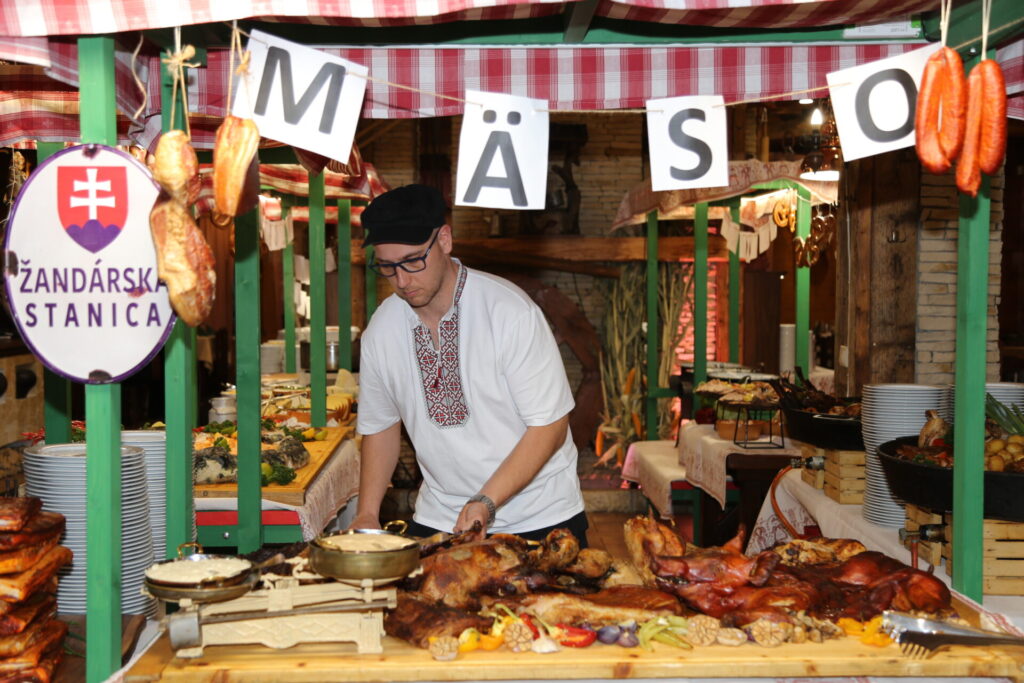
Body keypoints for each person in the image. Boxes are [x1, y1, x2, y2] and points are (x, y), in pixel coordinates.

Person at [350, 184, 587, 545]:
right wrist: (367, 513)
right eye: (387, 266)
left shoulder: (509, 313)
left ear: (444, 240)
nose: (402, 280)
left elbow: (549, 426)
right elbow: (381, 427)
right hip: (440, 517)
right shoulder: (382, 330)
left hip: (540, 517)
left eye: (413, 261)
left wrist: (486, 501)